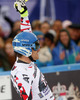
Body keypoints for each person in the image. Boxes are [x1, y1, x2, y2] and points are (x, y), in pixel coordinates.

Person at [11, 1, 54, 100]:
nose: (38, 49)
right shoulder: (21, 72)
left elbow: (26, 35)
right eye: (35, 46)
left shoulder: (26, 61)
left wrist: (24, 15)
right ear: (26, 50)